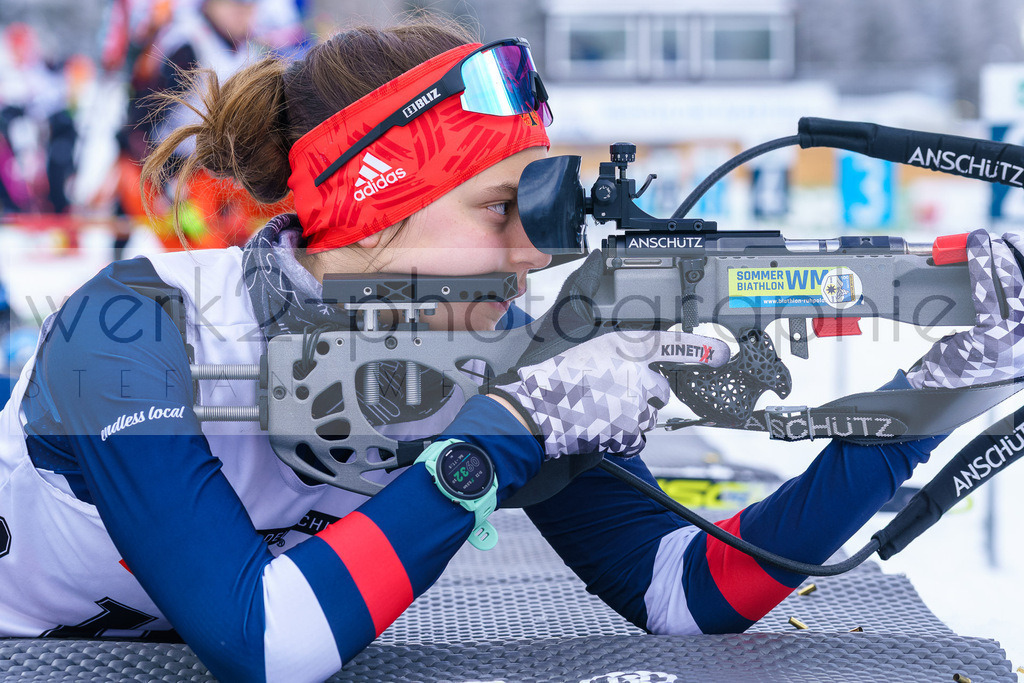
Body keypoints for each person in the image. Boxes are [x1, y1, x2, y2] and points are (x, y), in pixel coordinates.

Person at [0, 15, 1021, 683]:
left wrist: (919, 406)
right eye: (501, 207)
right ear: (366, 211)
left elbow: (686, 587)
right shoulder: (131, 327)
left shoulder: (482, 349)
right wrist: (510, 433)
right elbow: (268, 643)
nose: (531, 252)